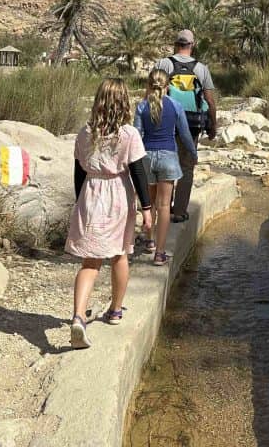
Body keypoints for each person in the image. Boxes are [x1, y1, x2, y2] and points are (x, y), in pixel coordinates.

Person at [66, 78, 152, 350]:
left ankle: (78, 316)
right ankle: (115, 310)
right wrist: (147, 209)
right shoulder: (128, 135)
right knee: (119, 254)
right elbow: (138, 172)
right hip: (117, 195)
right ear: (124, 102)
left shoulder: (85, 133)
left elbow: (79, 171)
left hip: (91, 193)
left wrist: (80, 201)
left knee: (90, 263)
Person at [134, 68, 199, 265]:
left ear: (148, 85)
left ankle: (149, 240)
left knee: (149, 203)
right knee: (164, 206)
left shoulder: (141, 106)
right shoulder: (176, 106)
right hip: (169, 158)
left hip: (146, 157)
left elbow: (136, 135)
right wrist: (193, 153)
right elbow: (185, 135)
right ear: (168, 86)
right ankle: (160, 253)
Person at [155, 29, 217, 222]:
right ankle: (180, 211)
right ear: (192, 45)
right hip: (192, 125)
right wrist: (213, 125)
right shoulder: (201, 68)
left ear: (176, 44)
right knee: (187, 167)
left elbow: (152, 94)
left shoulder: (163, 64)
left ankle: (162, 210)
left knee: (165, 167)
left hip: (165, 123)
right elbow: (210, 100)